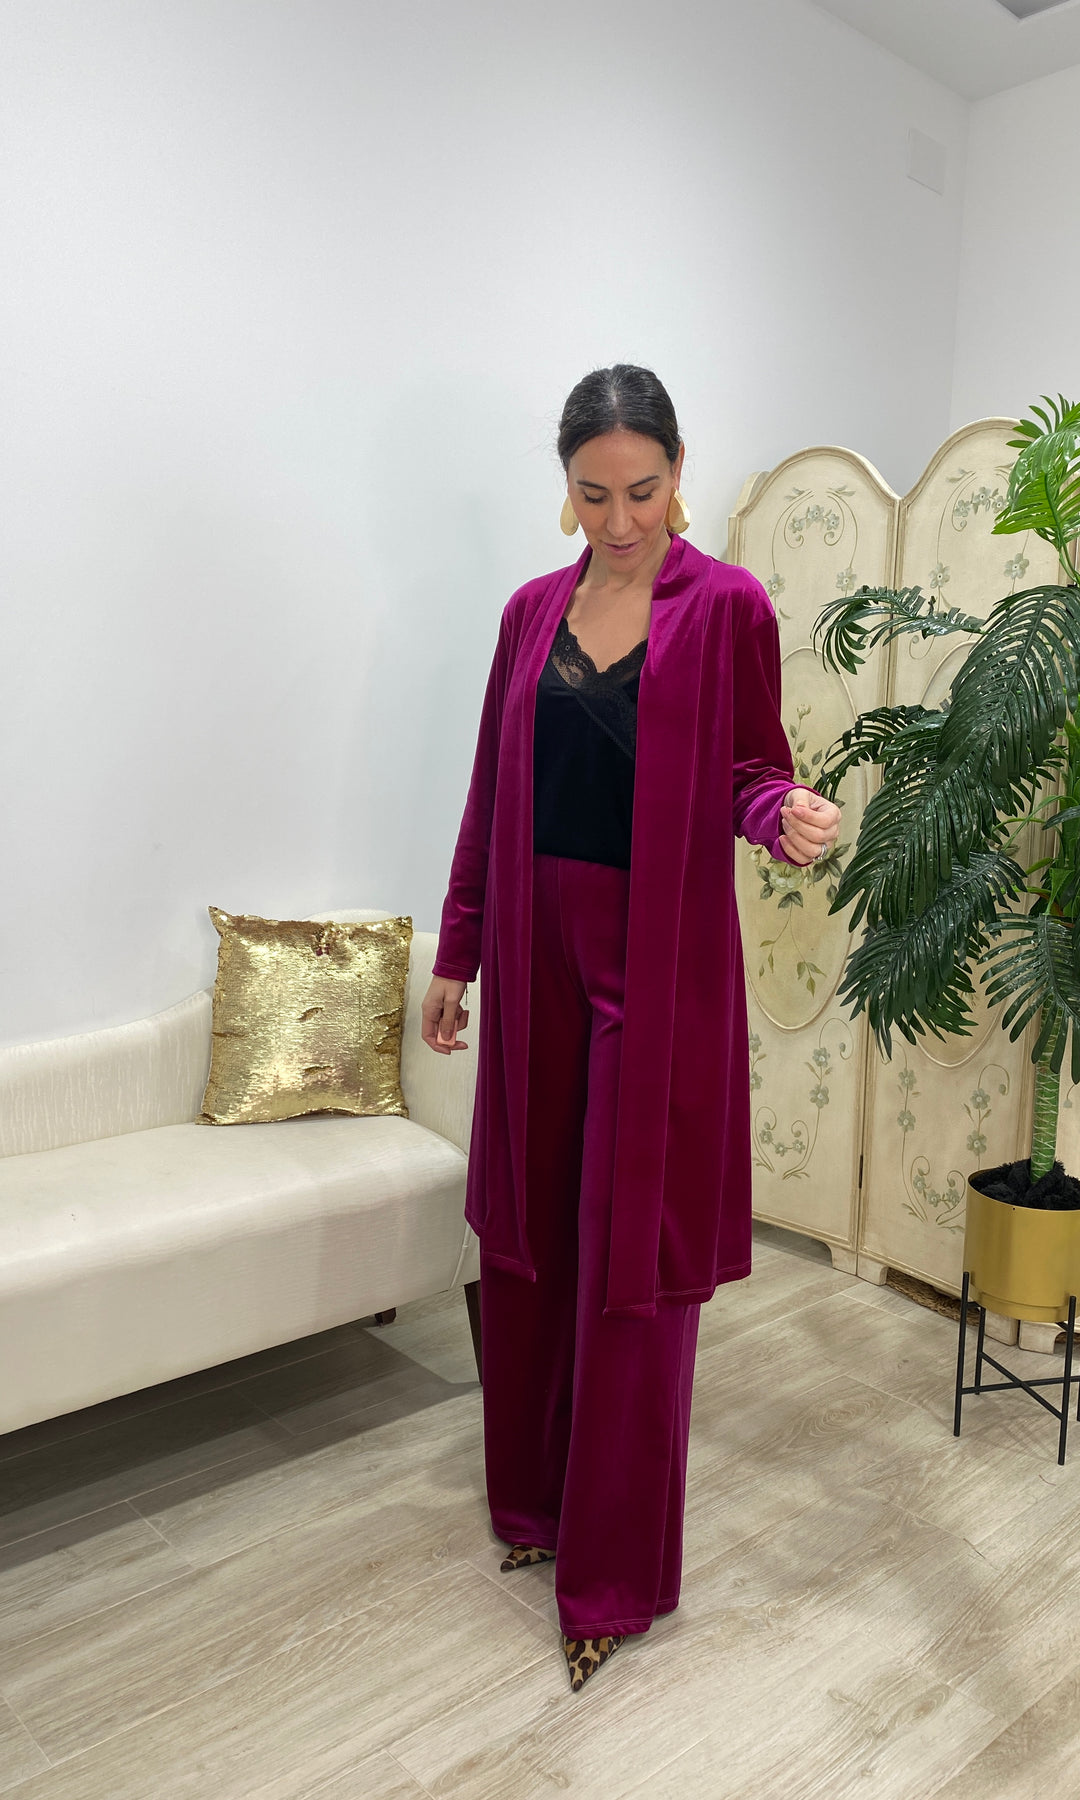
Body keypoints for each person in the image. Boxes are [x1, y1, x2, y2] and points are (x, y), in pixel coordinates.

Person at [421, 365, 840, 1692]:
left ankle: (613, 1577)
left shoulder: (728, 608)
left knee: (631, 1263)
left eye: (642, 492)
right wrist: (459, 951)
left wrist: (782, 816)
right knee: (534, 1235)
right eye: (593, 494)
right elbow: (491, 793)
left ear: (678, 474)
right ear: (565, 488)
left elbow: (749, 771)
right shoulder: (527, 614)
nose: (619, 521)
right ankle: (535, 1511)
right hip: (533, 961)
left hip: (653, 975)